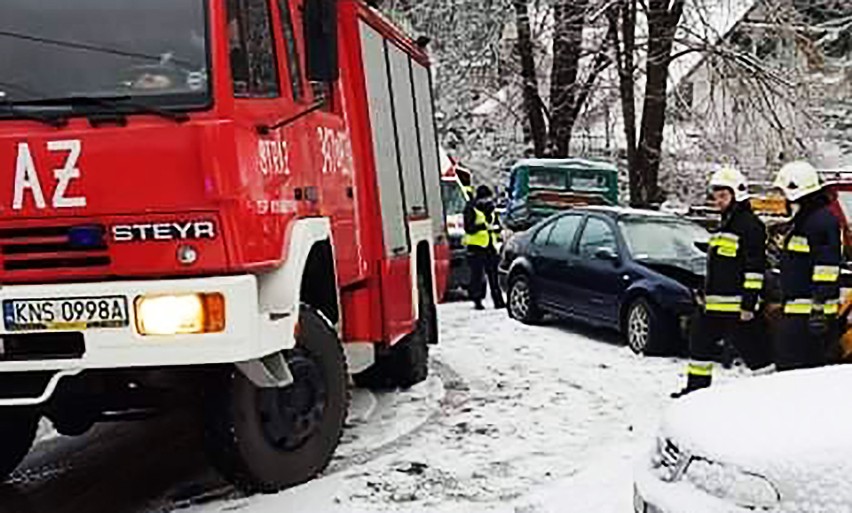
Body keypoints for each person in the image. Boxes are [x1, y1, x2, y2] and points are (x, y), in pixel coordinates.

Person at [672, 166, 774, 397]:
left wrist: (748, 304)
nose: (717, 201)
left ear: (737, 194)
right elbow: (719, 267)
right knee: (699, 343)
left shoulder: (750, 225)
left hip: (738, 307)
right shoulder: (723, 225)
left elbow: (755, 268)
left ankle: (771, 393)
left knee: (756, 353)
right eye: (716, 196)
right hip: (714, 306)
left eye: (723, 196)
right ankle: (695, 393)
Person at [772, 161, 842, 370]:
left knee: (797, 372)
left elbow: (827, 268)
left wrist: (819, 309)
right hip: (799, 312)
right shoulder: (805, 220)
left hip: (809, 315)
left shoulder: (820, 221)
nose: (783, 198)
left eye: (784, 192)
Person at [463, 185, 506, 310]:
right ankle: (477, 300)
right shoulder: (471, 208)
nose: (488, 201)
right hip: (475, 246)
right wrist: (483, 227)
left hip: (490, 246)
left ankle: (498, 301)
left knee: (493, 275)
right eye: (486, 198)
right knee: (477, 275)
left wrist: (498, 231)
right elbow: (469, 228)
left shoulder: (491, 209)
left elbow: (496, 225)